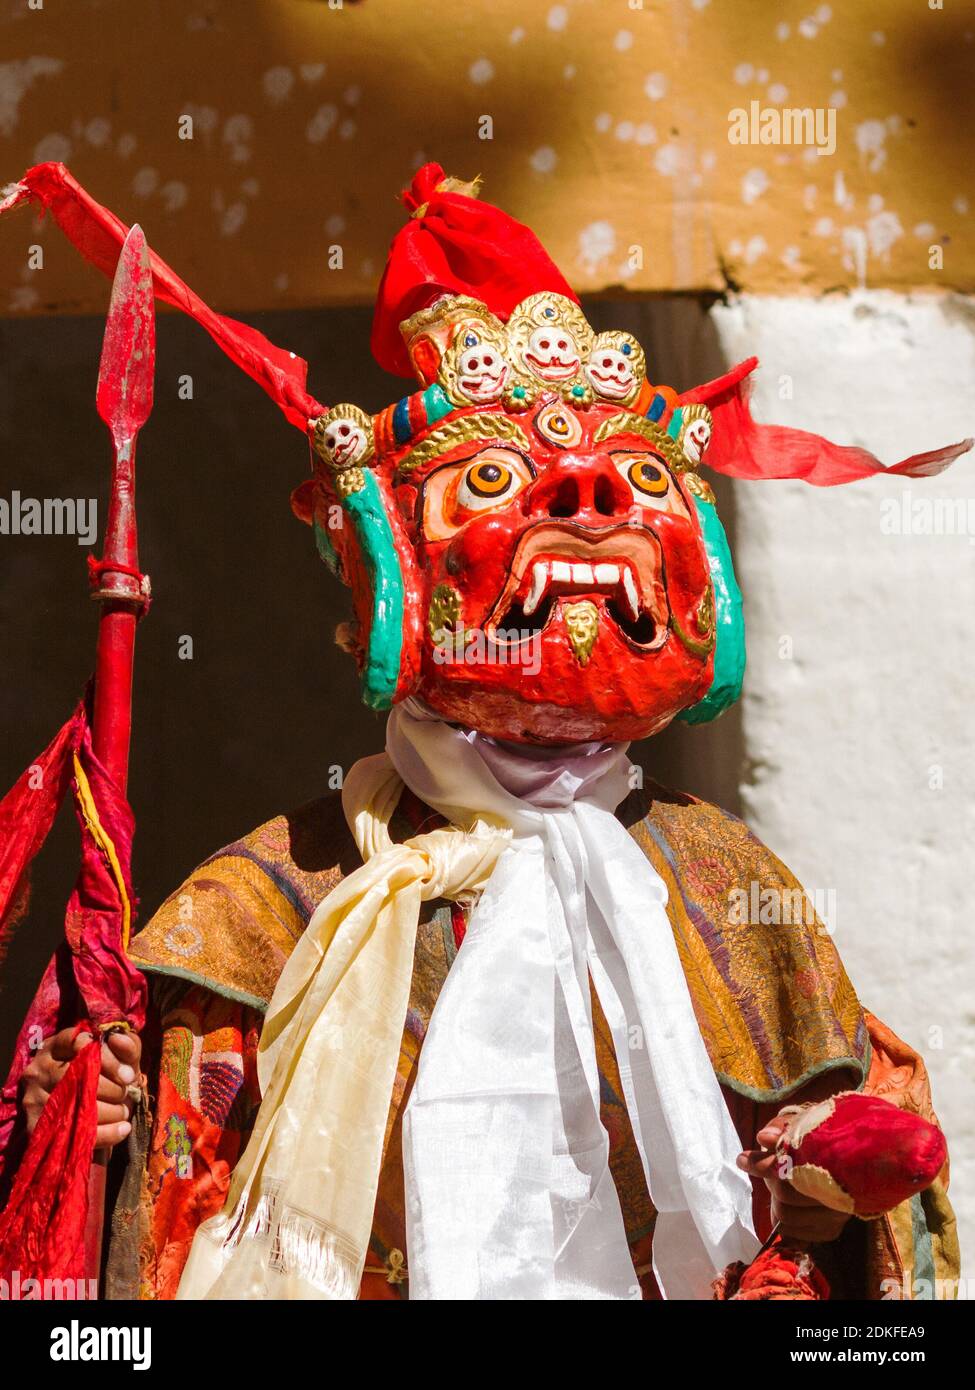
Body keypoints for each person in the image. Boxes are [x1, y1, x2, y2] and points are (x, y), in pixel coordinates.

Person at [13, 163, 962, 1301]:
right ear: (386, 571)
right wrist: (82, 1127)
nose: (588, 501)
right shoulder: (264, 911)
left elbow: (869, 1225)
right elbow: (165, 1237)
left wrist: (820, 1191)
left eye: (637, 478)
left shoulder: (730, 889)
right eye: (499, 477)